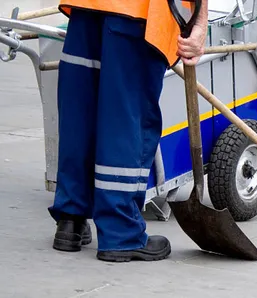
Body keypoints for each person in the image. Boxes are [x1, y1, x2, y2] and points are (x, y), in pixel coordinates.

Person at [47, 0, 208, 262]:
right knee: (125, 117)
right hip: (136, 13)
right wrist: (199, 23)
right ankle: (120, 231)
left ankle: (70, 219)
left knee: (80, 112)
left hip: (87, 7)